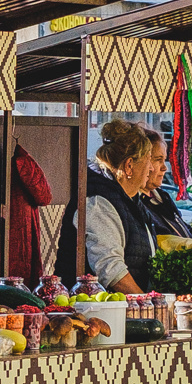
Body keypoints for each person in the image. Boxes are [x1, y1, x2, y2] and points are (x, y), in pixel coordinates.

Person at [53, 120, 158, 294]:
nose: (152, 168)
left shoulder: (131, 201)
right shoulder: (97, 202)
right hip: (91, 311)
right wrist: (145, 304)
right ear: (129, 165)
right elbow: (112, 271)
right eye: (149, 160)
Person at [6, 143, 55, 286]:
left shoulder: (21, 162)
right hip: (22, 224)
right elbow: (44, 197)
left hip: (15, 222)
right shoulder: (24, 163)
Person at [138, 127, 192, 240]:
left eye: (164, 160)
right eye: (158, 160)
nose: (164, 168)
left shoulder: (162, 198)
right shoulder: (135, 204)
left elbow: (185, 233)